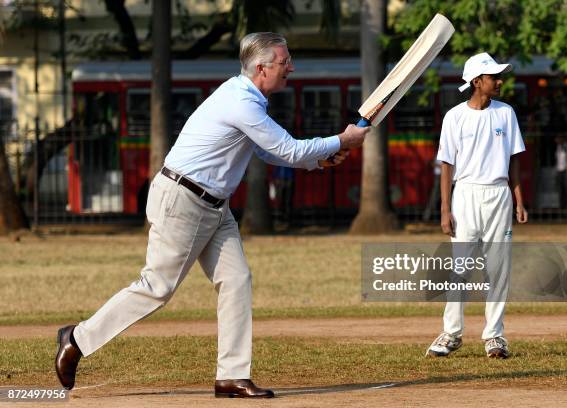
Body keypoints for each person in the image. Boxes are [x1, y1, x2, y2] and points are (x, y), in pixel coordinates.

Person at [55, 32, 369, 398]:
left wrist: (321, 159)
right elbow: (288, 148)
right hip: (183, 200)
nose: (291, 68)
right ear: (262, 67)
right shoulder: (241, 102)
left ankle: (231, 376)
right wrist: (341, 141)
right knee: (157, 288)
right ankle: (77, 339)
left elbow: (271, 152)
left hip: (213, 206)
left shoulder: (250, 99)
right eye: (285, 62)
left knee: (237, 280)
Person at [425, 52, 528, 359]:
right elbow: (446, 165)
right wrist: (445, 209)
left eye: (499, 76)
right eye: (493, 77)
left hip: (498, 194)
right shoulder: (454, 117)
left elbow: (515, 160)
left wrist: (519, 200)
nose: (499, 81)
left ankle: (495, 336)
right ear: (476, 81)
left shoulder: (506, 113)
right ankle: (451, 333)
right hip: (465, 195)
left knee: (499, 269)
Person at [554, 134, 567, 209]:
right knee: (560, 191)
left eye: (557, 138)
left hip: (566, 171)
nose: (556, 140)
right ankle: (561, 207)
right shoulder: (558, 147)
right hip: (559, 171)